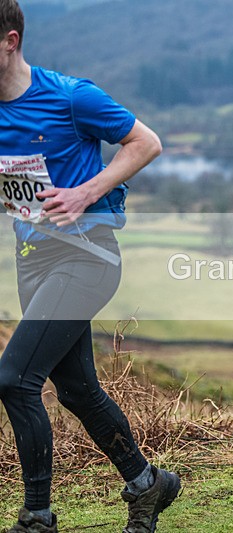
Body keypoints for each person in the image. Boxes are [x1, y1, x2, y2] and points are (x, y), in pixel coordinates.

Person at [0, 2, 179, 531]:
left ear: (9, 42)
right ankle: (148, 484)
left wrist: (86, 192)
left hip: (87, 255)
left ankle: (37, 516)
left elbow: (145, 142)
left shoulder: (70, 96)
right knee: (76, 389)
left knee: (14, 379)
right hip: (31, 260)